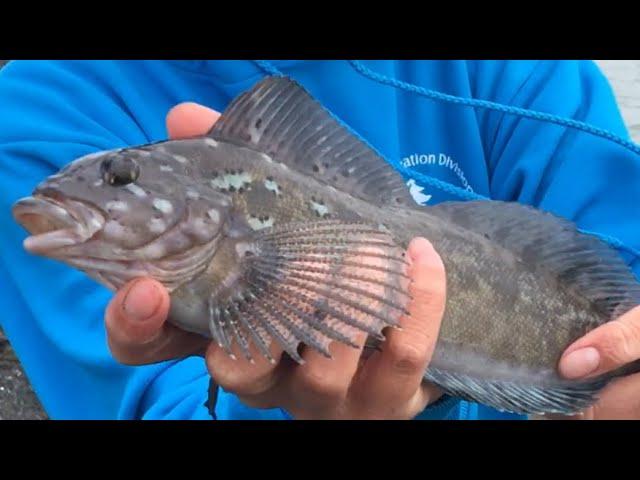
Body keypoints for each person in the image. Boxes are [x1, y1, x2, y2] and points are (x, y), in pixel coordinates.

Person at [0, 59, 639, 420]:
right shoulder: (43, 111)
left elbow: (623, 271)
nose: (104, 190)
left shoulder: (519, 71)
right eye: (121, 176)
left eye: (120, 178)